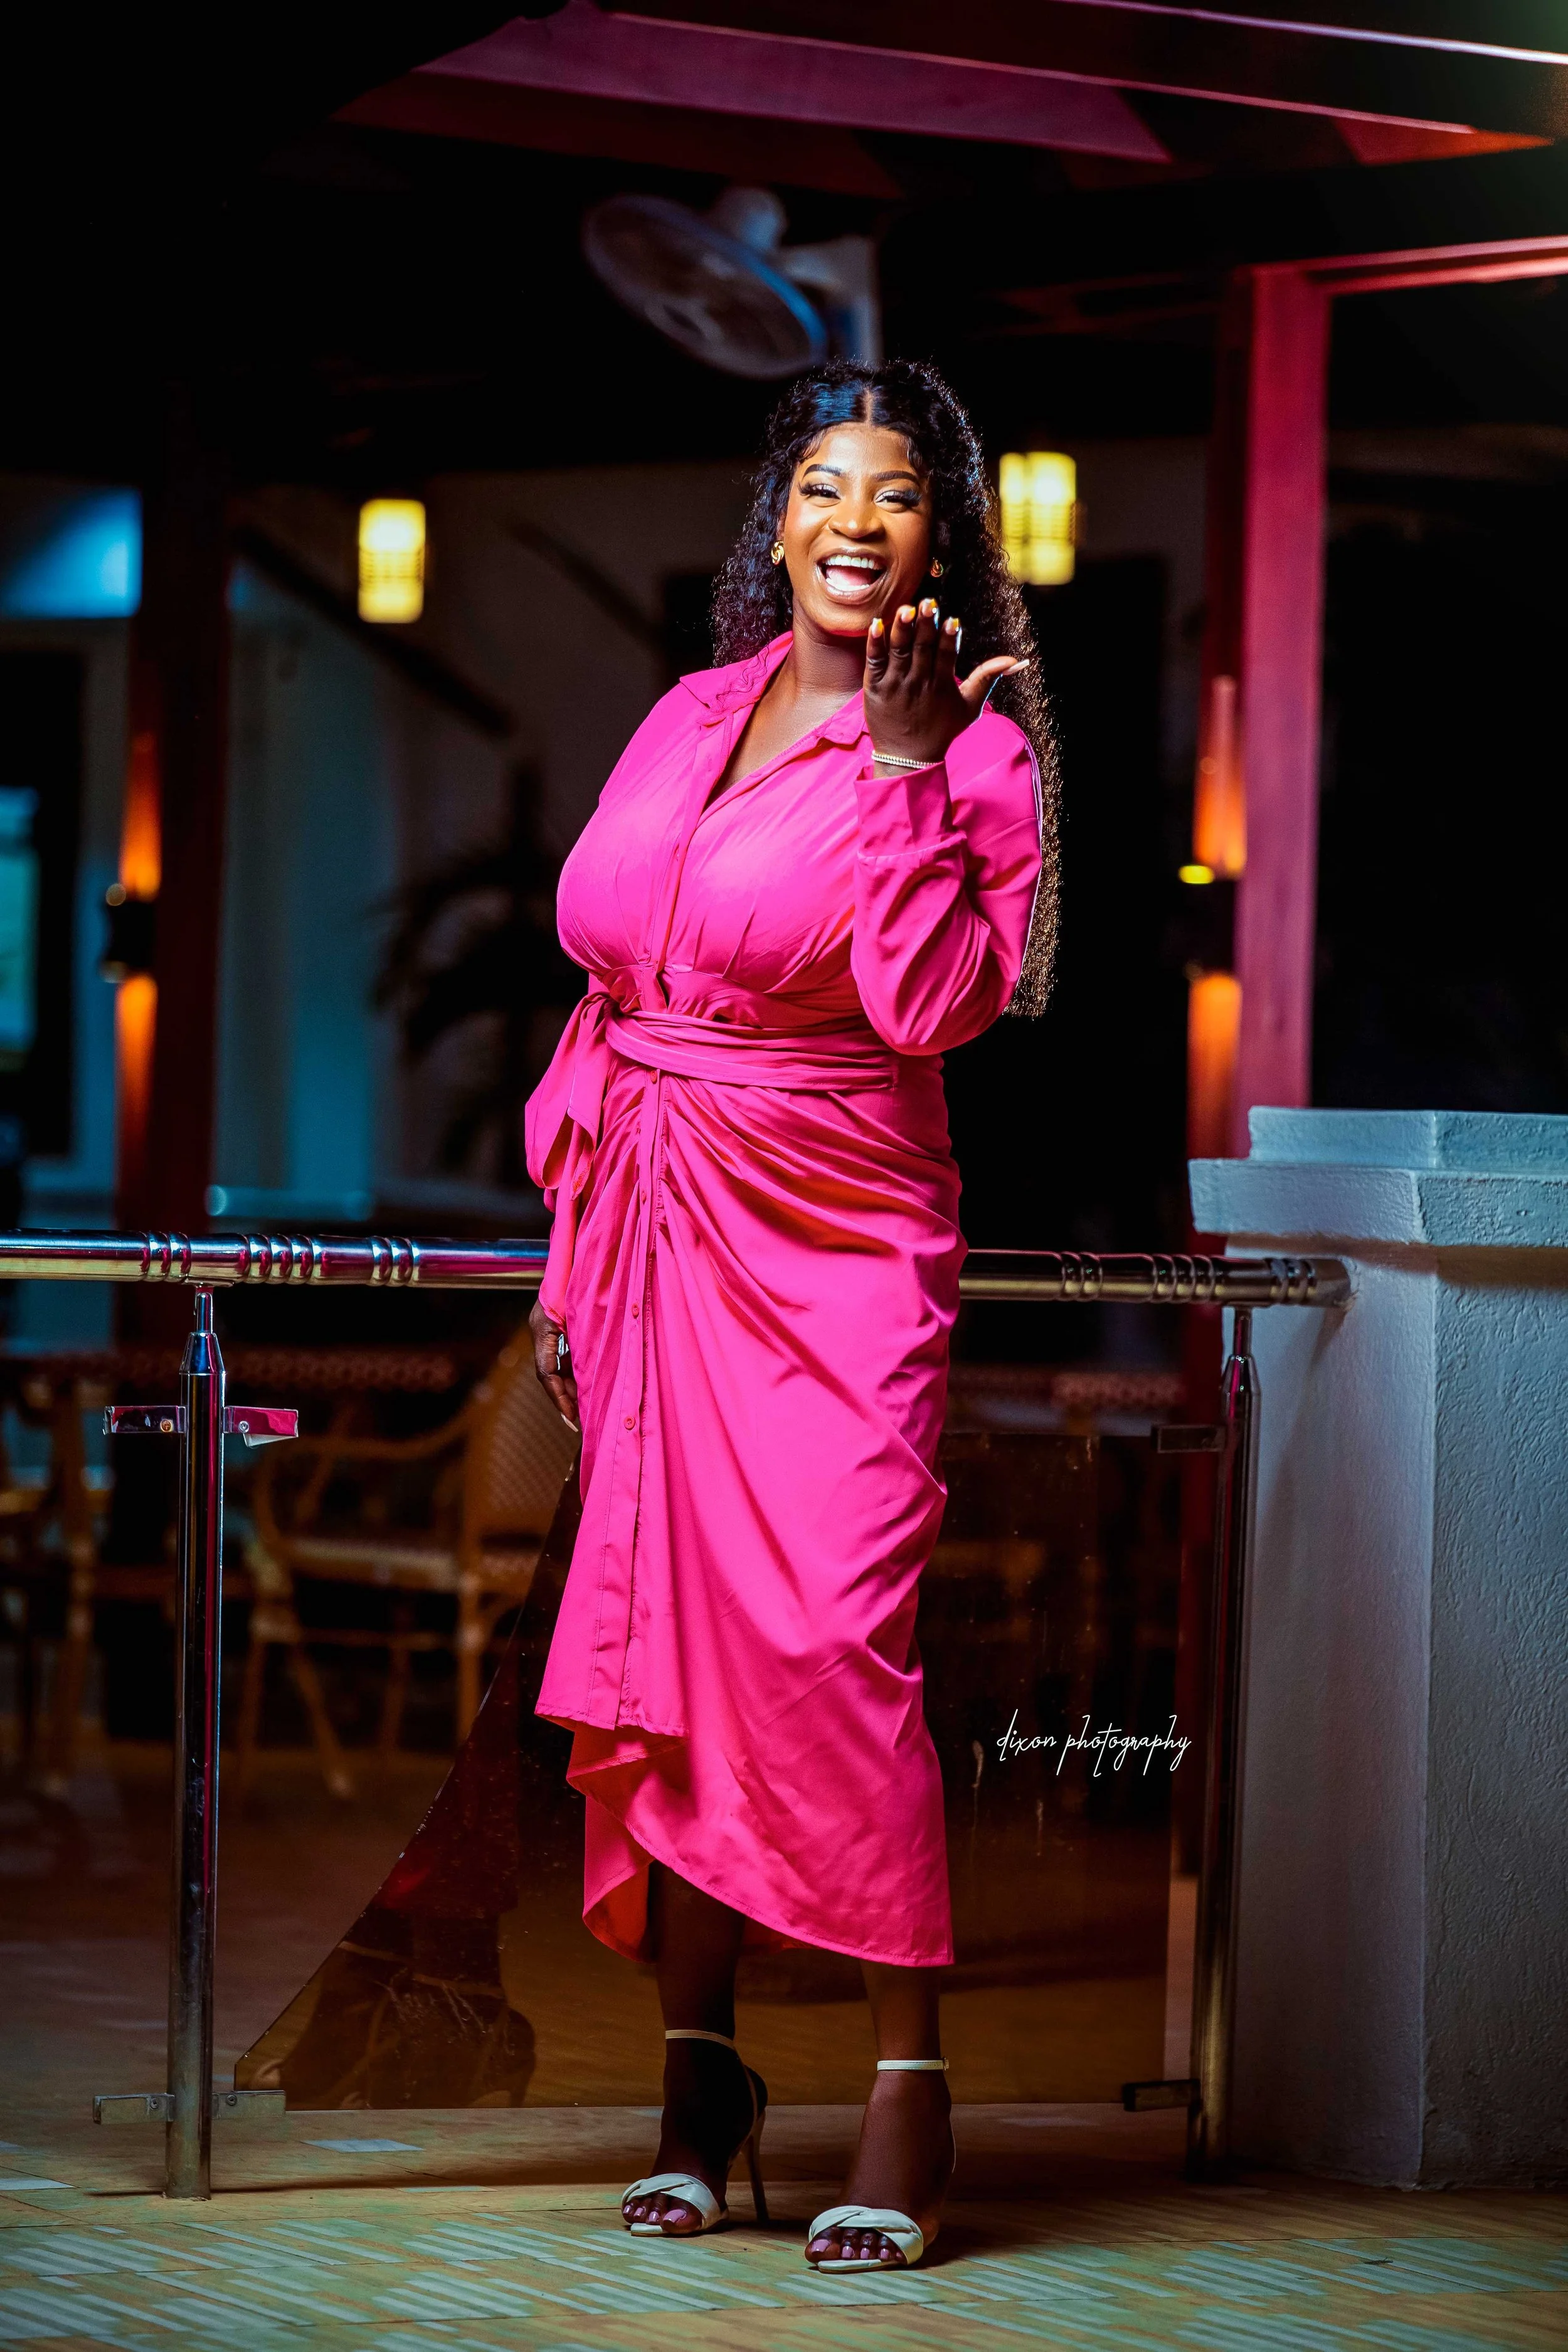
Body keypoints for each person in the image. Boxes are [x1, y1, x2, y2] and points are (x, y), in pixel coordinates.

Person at [524, 357, 1059, 2271]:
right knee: (661, 1657)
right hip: (657, 1230)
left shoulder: (979, 754)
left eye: (896, 490)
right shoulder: (688, 711)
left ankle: (907, 2103)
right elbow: (617, 959)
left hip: (834, 1244)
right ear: (777, 525)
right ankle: (700, 2083)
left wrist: (909, 773)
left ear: (941, 539)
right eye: (821, 484)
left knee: (834, 1650)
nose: (855, 516)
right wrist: (576, 1242)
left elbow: (932, 1010)